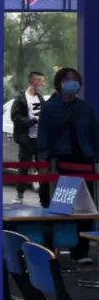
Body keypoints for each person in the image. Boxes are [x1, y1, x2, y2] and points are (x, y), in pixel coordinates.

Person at [38, 66, 99, 262]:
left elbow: (94, 135)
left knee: (85, 208)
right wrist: (43, 162)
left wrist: (96, 158)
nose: (72, 83)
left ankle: (81, 252)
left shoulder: (85, 108)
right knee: (60, 207)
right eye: (67, 79)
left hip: (84, 162)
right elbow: (43, 136)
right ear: (59, 84)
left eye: (75, 79)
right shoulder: (50, 108)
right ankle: (53, 249)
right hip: (60, 163)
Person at [10, 71, 46, 204]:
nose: (43, 84)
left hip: (40, 140)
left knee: (42, 168)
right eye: (41, 81)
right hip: (26, 139)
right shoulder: (20, 99)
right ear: (34, 82)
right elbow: (15, 117)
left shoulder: (40, 98)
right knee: (24, 167)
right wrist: (33, 121)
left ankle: (44, 198)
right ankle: (19, 195)